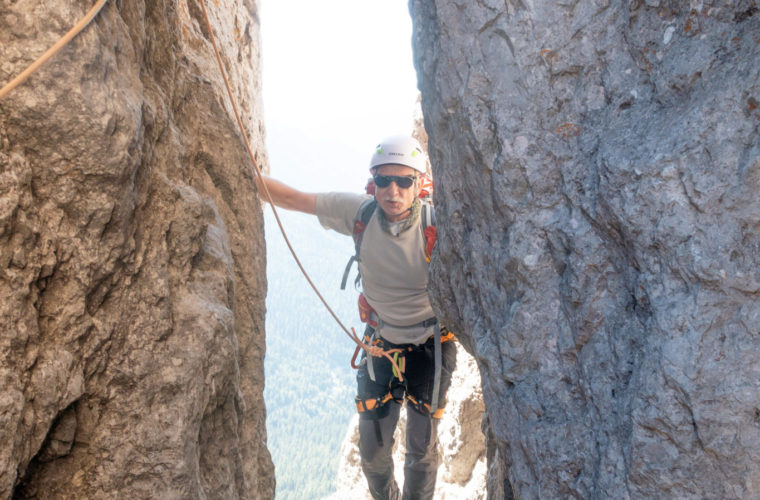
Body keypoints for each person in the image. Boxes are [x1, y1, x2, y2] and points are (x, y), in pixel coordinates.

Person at [258, 135, 457, 500]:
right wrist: (245, 175)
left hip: (431, 349)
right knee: (373, 455)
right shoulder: (360, 212)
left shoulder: (437, 223)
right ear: (372, 183)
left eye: (403, 181)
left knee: (420, 453)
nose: (392, 190)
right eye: (383, 180)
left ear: (418, 185)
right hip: (380, 346)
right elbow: (294, 199)